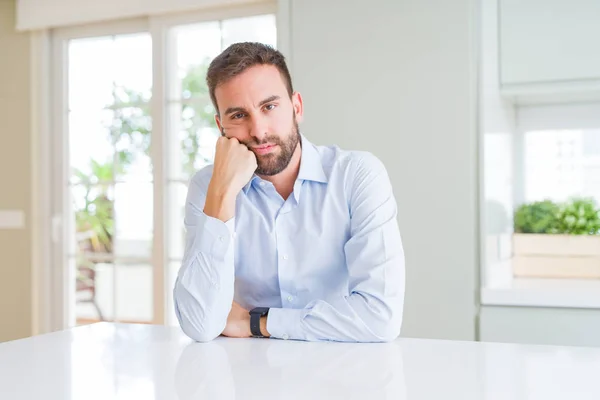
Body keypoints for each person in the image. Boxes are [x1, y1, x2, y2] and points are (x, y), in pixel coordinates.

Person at [173, 42, 405, 343]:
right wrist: (221, 194)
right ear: (221, 127)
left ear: (297, 107)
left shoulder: (357, 175)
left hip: (341, 374)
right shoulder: (208, 186)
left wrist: (256, 323)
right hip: (245, 377)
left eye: (269, 107)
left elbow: (380, 317)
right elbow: (199, 324)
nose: (258, 130)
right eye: (239, 116)